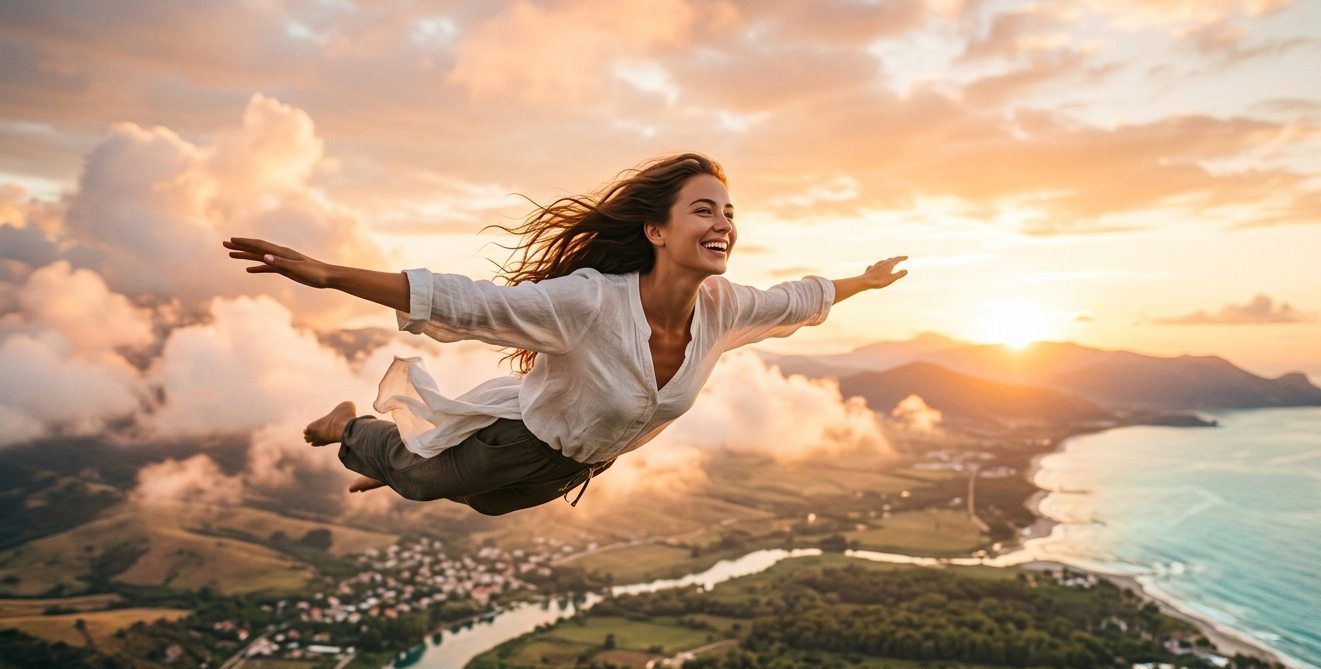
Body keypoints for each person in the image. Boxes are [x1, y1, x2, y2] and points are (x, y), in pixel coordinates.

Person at [224, 153, 906, 516]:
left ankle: (416, 456)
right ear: (657, 230)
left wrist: (865, 281)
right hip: (516, 446)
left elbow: (800, 299)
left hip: (573, 470)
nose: (724, 222)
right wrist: (329, 274)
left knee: (482, 505)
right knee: (428, 482)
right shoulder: (588, 303)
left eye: (730, 212)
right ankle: (348, 433)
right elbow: (469, 302)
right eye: (704, 209)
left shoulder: (726, 308)